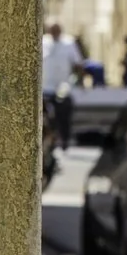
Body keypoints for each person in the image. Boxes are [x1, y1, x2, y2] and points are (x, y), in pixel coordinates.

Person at [41, 20, 86, 155]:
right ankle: (48, 138)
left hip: (63, 87)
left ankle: (64, 139)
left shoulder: (69, 43)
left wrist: (80, 81)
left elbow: (78, 64)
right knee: (44, 115)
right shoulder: (43, 42)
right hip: (45, 87)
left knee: (64, 113)